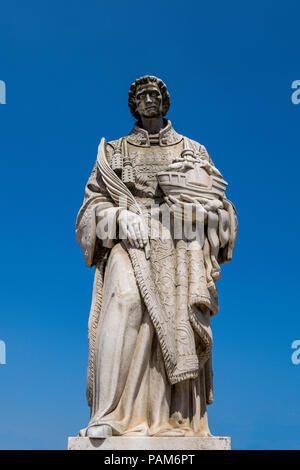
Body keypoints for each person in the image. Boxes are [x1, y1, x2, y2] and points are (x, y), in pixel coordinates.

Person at [75, 75, 237, 438]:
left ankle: (174, 419)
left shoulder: (192, 150)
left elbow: (222, 207)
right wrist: (117, 217)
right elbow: (90, 208)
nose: (149, 99)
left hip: (181, 247)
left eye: (155, 94)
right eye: (141, 95)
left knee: (175, 321)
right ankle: (110, 414)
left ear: (166, 101)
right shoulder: (114, 152)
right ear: (133, 104)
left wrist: (205, 215)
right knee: (125, 302)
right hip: (129, 240)